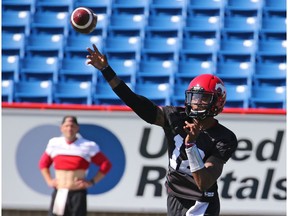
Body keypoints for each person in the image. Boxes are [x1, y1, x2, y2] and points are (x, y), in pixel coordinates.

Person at [86, 44, 238, 216]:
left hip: (202, 202)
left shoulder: (224, 138)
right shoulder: (175, 117)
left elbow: (204, 182)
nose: (196, 103)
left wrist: (191, 146)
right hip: (175, 195)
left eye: (203, 98)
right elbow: (135, 102)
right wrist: (106, 70)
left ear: (217, 102)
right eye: (194, 97)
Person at [39, 115, 112, 216]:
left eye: (72, 126)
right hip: (60, 191)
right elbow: (43, 163)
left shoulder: (88, 145)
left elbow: (106, 164)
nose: (69, 129)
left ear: (77, 128)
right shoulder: (54, 143)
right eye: (67, 126)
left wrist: (92, 182)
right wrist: (49, 180)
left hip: (77, 193)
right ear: (61, 128)